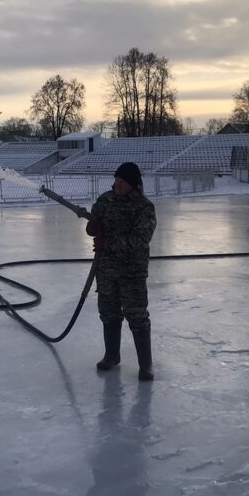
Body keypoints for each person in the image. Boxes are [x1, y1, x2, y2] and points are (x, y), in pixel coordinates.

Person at [86, 162, 156, 380]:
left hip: (131, 272)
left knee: (137, 317)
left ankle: (146, 365)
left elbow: (140, 240)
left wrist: (109, 242)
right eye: (116, 180)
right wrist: (92, 227)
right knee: (109, 314)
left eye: (122, 182)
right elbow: (95, 219)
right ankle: (111, 356)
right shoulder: (106, 200)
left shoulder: (144, 207)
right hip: (106, 270)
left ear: (133, 185)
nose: (117, 184)